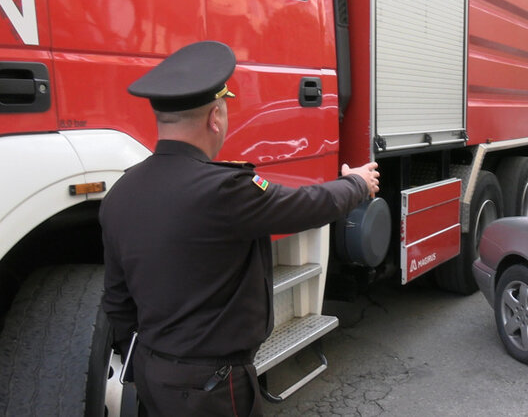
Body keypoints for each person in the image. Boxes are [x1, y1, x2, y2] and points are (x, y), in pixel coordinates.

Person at [100, 40, 379, 417]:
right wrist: (358, 183)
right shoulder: (224, 189)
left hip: (153, 373)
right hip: (211, 385)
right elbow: (308, 206)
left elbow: (118, 303)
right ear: (215, 116)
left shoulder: (121, 192)